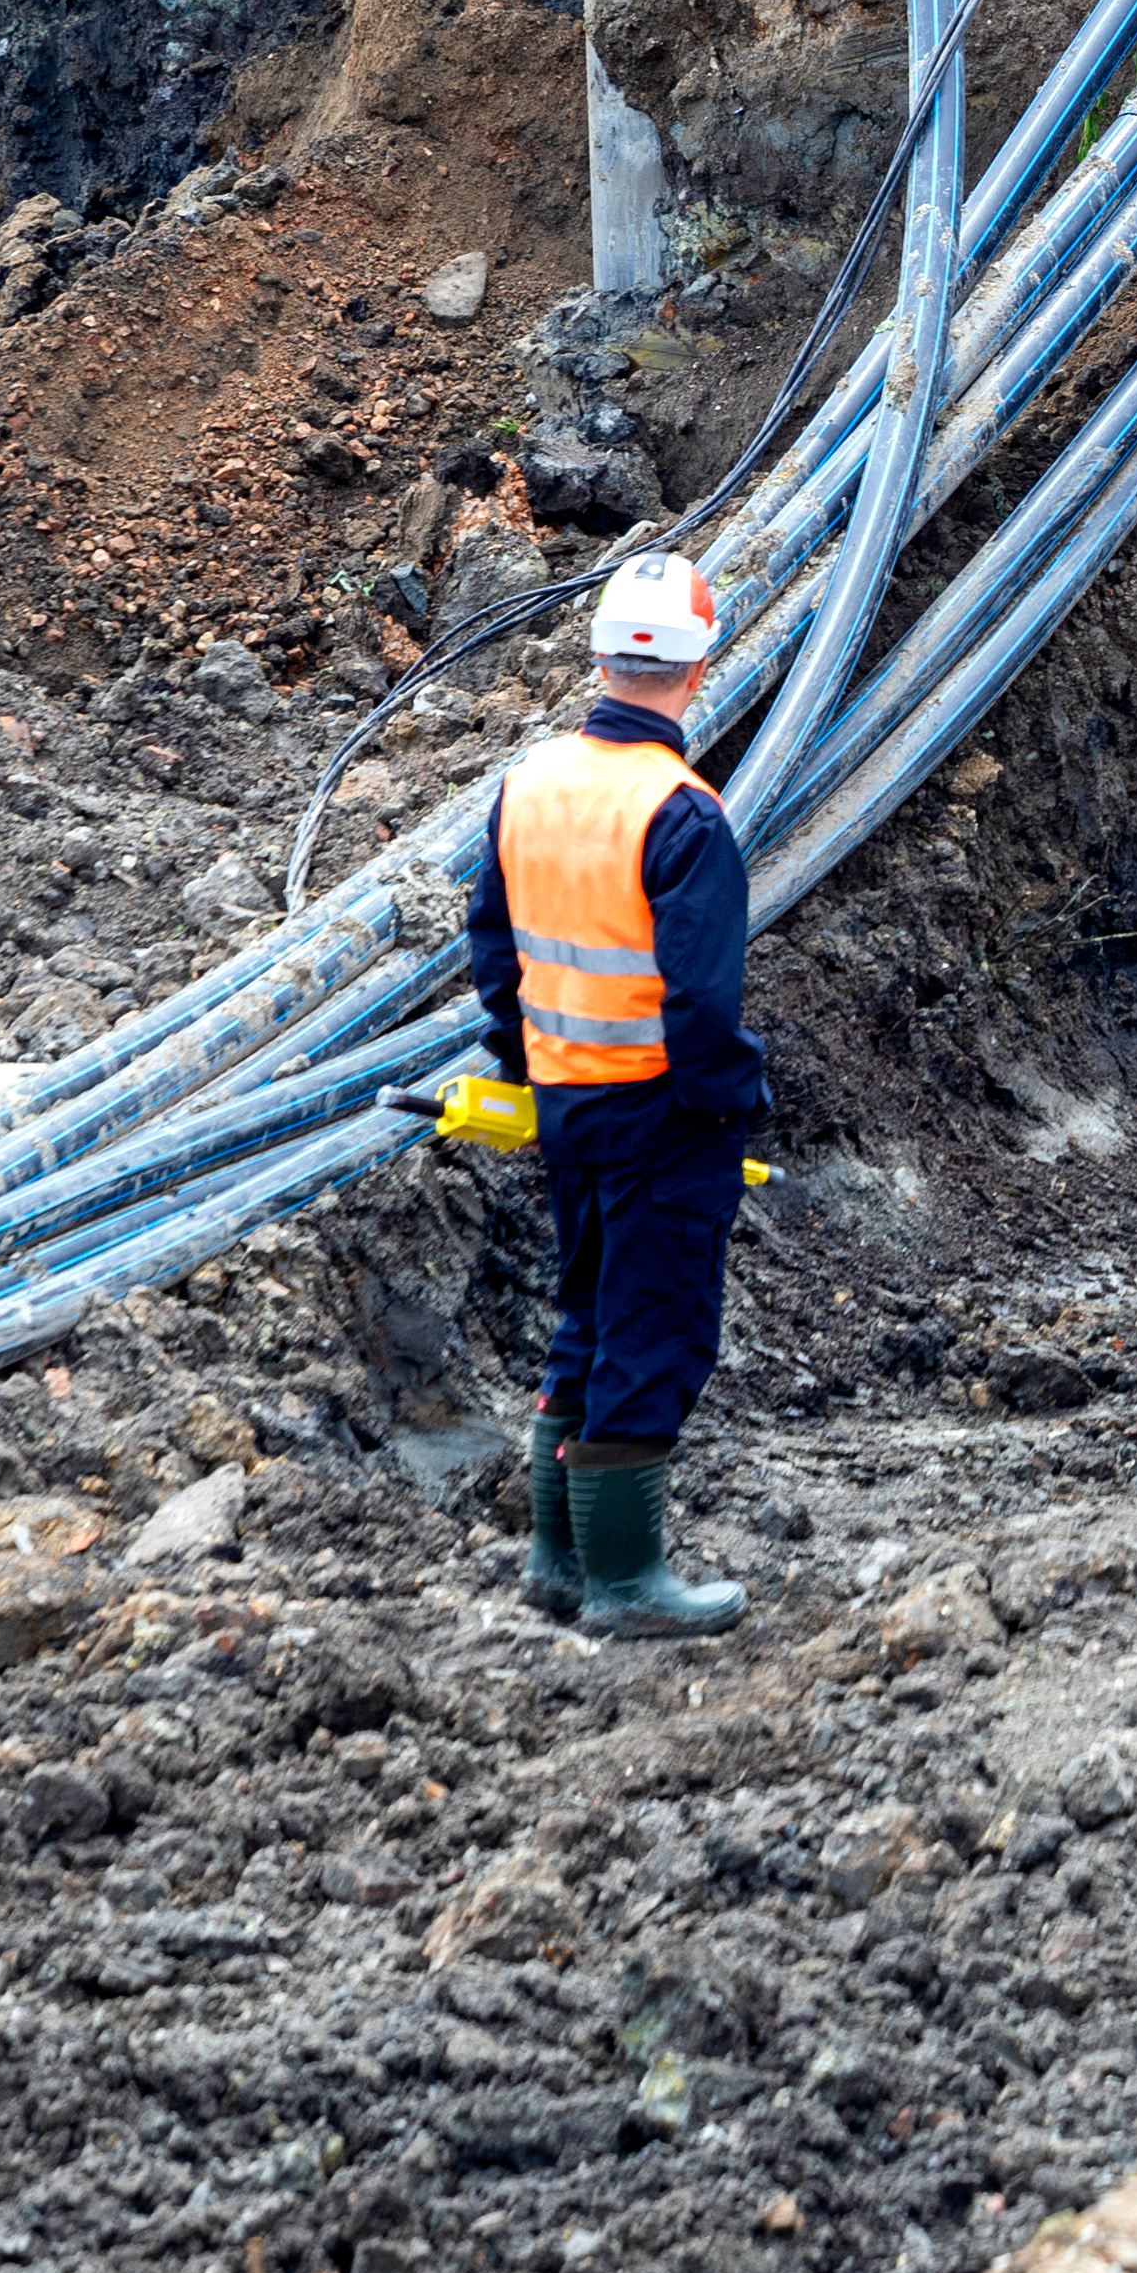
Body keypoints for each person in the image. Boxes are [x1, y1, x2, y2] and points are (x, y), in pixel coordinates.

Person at [464, 553, 764, 1640]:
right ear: (699, 668)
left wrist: (525, 1059)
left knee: (586, 1317)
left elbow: (493, 951)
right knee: (654, 1331)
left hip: (566, 1102)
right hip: (660, 1116)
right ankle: (625, 1582)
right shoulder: (682, 814)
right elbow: (699, 1001)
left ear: (598, 656)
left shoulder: (530, 782)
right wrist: (730, 1099)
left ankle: (555, 1561)